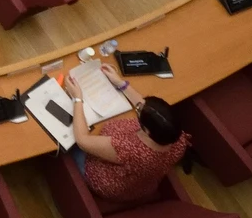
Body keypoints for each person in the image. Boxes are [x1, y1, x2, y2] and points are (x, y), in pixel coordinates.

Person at [63, 66, 190, 206]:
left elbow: (83, 140)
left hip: (108, 183)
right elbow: (147, 109)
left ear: (147, 131)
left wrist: (77, 99)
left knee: (69, 142)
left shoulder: (130, 150)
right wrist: (121, 84)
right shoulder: (177, 138)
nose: (140, 106)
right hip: (140, 186)